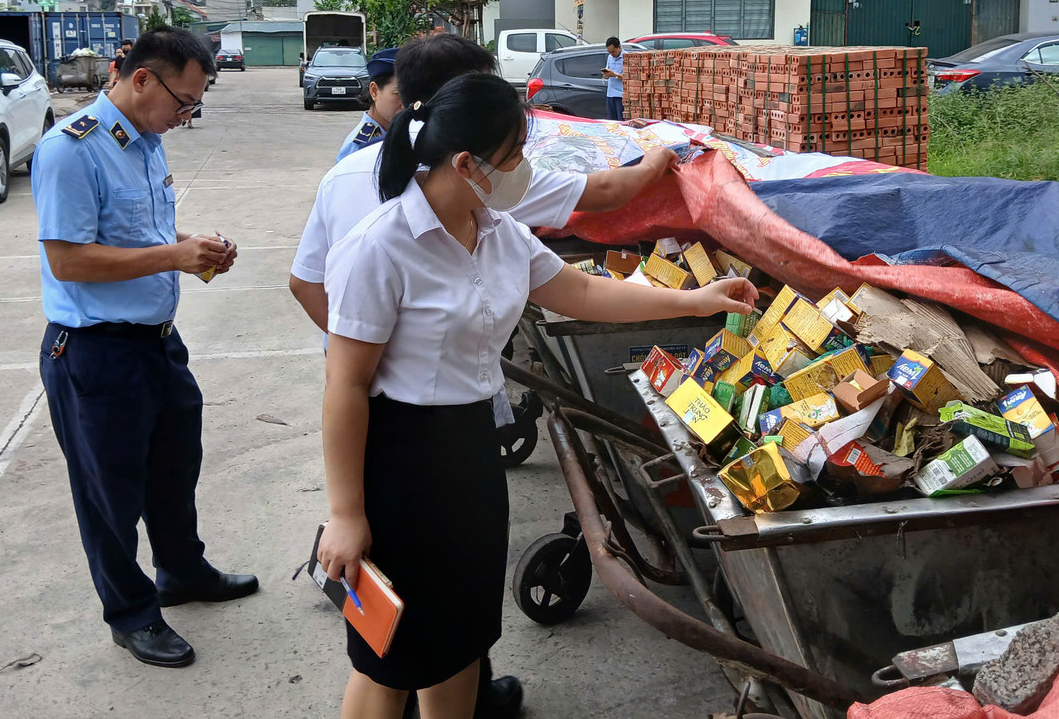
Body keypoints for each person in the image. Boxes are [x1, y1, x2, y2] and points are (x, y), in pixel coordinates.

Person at [316, 73, 758, 718]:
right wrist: (347, 512)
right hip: (399, 463)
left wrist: (696, 299)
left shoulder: (496, 230)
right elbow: (346, 385)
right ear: (465, 162)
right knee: (393, 652)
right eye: (516, 154)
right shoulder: (379, 248)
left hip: (469, 448)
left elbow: (580, 292)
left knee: (463, 635)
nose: (525, 168)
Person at [30, 26, 257, 669]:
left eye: (195, 105)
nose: (187, 117)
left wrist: (194, 247)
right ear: (140, 79)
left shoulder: (147, 139)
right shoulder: (71, 151)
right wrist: (174, 255)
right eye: (184, 102)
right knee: (110, 494)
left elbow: (139, 229)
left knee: (174, 467)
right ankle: (131, 613)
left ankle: (182, 572)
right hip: (96, 351)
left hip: (157, 343)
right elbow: (70, 260)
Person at [336, 47, 402, 163]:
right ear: (374, 91)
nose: (407, 104)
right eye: (398, 94)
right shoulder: (359, 147)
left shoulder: (403, 134)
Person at [601, 36, 624, 121]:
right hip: (610, 94)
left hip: (621, 95)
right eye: (609, 52)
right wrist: (606, 75)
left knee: (621, 121)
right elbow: (608, 70)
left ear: (619, 47)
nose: (611, 54)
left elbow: (629, 78)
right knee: (611, 122)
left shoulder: (626, 57)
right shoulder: (610, 57)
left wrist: (615, 75)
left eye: (613, 51)